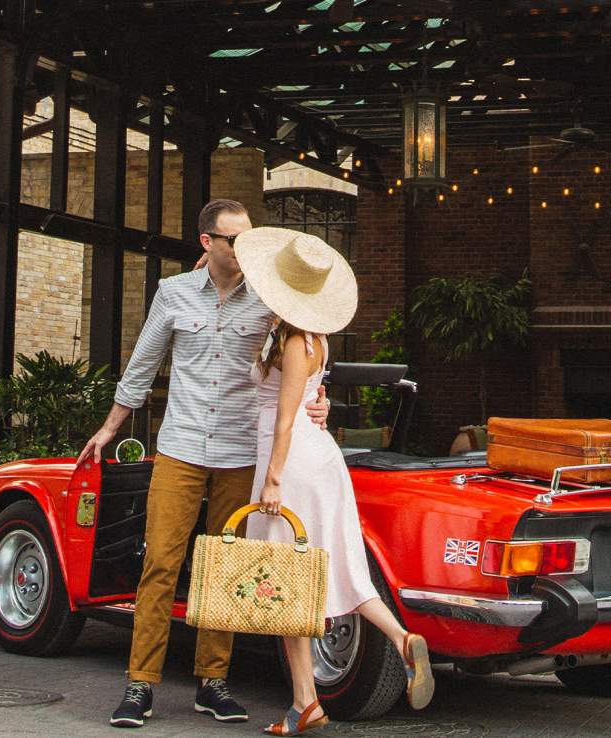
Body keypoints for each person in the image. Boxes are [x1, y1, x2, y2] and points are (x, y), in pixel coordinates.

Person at [75, 200, 330, 729]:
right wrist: (108, 428)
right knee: (160, 564)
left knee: (225, 572)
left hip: (241, 453)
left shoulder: (266, 301)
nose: (241, 250)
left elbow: (300, 356)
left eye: (246, 239)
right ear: (206, 242)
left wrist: (316, 403)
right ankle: (139, 685)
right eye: (231, 240)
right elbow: (141, 366)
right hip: (182, 448)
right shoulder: (171, 294)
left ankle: (212, 683)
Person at [233, 227, 435, 736]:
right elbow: (302, 405)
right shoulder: (309, 337)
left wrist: (273, 480)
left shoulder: (295, 342)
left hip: (292, 461)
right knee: (333, 569)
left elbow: (283, 418)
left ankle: (306, 701)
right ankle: (393, 643)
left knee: (283, 582)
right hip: (316, 457)